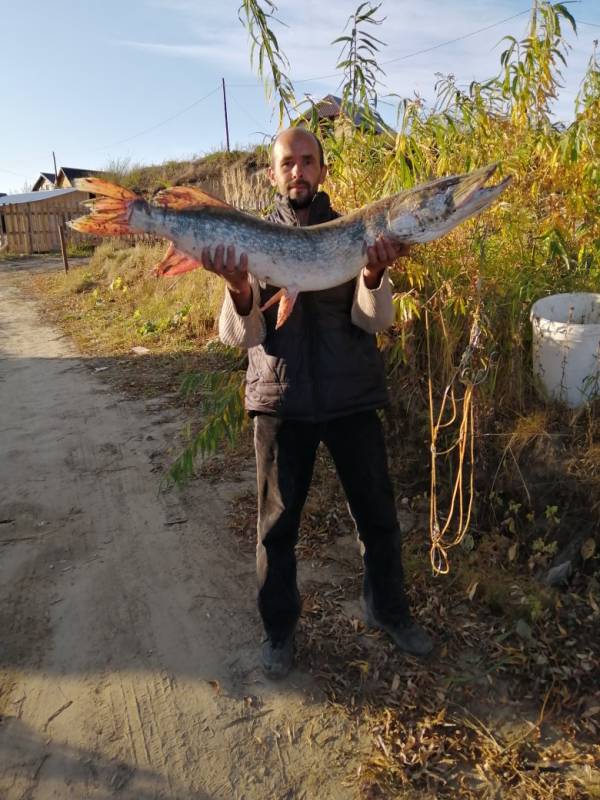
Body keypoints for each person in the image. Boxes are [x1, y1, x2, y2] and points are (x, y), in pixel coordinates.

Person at [203, 127, 433, 679]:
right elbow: (238, 336)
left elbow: (374, 320)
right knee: (276, 528)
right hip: (281, 400)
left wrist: (374, 272)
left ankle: (388, 609)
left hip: (352, 394)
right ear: (274, 173)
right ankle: (279, 631)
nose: (299, 172)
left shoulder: (358, 232)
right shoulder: (251, 242)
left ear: (323, 171)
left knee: (378, 517)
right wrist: (238, 289)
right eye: (288, 163)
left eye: (308, 162)